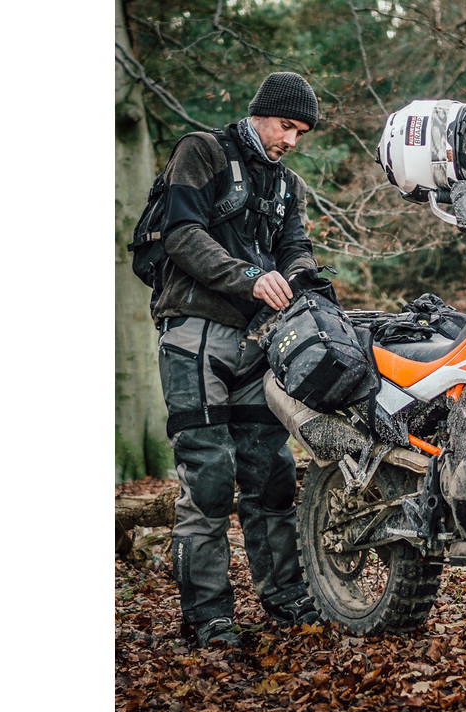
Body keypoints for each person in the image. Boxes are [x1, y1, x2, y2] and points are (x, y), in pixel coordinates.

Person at [153, 72, 323, 647]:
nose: (291, 140)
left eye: (300, 133)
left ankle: (286, 597)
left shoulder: (289, 184)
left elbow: (295, 248)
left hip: (258, 342)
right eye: (285, 126)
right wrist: (250, 277)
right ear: (259, 113)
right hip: (193, 333)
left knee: (271, 474)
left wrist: (304, 280)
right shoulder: (201, 151)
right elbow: (181, 234)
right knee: (208, 479)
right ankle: (208, 616)